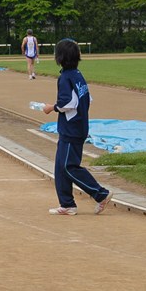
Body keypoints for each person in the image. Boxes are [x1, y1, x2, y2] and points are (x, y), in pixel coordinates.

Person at [42, 39, 113, 216]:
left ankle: (100, 194)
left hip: (71, 129)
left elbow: (67, 102)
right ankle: (67, 204)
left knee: (68, 166)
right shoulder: (77, 75)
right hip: (78, 126)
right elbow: (87, 99)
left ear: (59, 57)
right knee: (60, 167)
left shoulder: (65, 77)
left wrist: (52, 107)